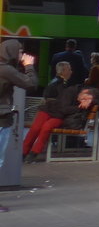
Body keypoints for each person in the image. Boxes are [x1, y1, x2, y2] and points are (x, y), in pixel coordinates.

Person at [1, 39, 38, 209]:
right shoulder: (6, 69)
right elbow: (31, 83)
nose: (22, 55)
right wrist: (29, 66)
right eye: (19, 51)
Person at [21, 61, 78, 162]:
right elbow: (61, 103)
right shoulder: (60, 84)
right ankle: (27, 152)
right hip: (55, 112)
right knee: (38, 128)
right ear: (63, 71)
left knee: (41, 128)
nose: (71, 72)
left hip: (55, 113)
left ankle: (30, 152)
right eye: (69, 69)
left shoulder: (56, 83)